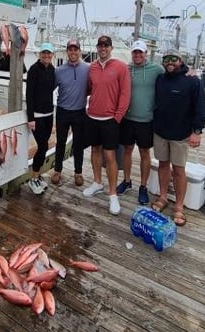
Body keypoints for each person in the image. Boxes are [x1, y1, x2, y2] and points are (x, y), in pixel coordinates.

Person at [151, 49, 205, 226]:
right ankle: (163, 197)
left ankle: (179, 206)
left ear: (181, 61)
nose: (169, 62)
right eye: (166, 59)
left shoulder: (193, 81)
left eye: (173, 59)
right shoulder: (160, 79)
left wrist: (197, 131)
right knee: (162, 165)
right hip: (160, 131)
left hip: (181, 134)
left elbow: (202, 109)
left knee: (178, 170)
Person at [82, 35, 131, 215]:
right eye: (100, 45)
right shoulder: (92, 67)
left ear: (111, 48)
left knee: (110, 156)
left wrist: (117, 117)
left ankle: (112, 194)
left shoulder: (120, 67)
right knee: (95, 150)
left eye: (106, 45)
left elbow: (125, 94)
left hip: (111, 120)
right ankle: (97, 182)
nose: (103, 48)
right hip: (92, 117)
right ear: (97, 47)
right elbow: (89, 89)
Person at [116, 40, 164, 205]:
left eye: (140, 52)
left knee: (145, 153)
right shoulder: (126, 69)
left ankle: (143, 186)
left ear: (145, 53)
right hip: (127, 118)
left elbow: (172, 75)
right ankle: (127, 181)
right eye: (135, 52)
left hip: (147, 120)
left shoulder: (156, 69)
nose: (137, 55)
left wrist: (189, 72)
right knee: (127, 150)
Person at [50, 38, 89, 186]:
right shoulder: (58, 71)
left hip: (80, 112)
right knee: (60, 142)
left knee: (78, 143)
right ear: (67, 52)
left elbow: (92, 87)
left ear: (80, 51)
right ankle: (57, 170)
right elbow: (49, 89)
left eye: (76, 49)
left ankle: (78, 172)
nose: (73, 52)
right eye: (70, 49)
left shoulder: (87, 68)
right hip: (63, 111)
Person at [26, 42, 56, 194]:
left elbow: (52, 89)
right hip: (36, 116)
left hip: (49, 115)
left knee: (45, 146)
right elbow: (29, 95)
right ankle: (34, 178)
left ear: (52, 55)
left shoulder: (52, 69)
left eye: (49, 53)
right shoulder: (33, 69)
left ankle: (37, 177)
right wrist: (30, 117)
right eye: (44, 53)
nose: (46, 55)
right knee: (42, 146)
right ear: (40, 54)